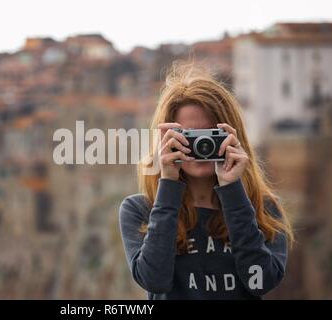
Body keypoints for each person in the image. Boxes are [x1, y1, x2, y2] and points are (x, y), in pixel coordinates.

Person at [118, 61, 294, 300]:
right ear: (165, 141)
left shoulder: (264, 208)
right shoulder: (140, 210)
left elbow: (260, 281)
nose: (201, 146)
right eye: (188, 137)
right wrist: (168, 183)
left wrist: (232, 190)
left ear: (234, 137)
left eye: (211, 135)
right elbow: (154, 280)